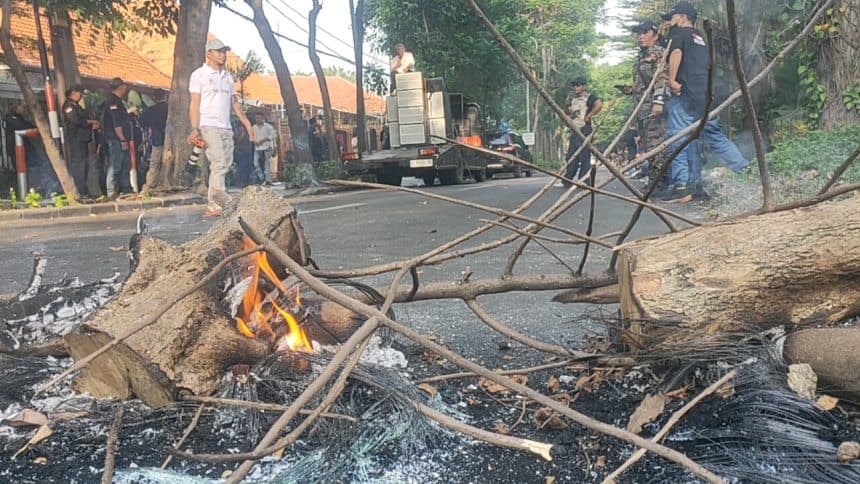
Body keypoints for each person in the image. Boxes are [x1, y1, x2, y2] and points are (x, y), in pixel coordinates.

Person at [662, 2, 749, 201]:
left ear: (682, 17)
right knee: (713, 135)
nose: (670, 20)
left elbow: (676, 54)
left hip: (684, 94)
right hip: (705, 95)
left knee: (678, 137)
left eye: (673, 16)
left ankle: (682, 184)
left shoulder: (679, 34)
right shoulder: (700, 38)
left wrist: (672, 80)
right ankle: (743, 168)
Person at [188, 39, 254, 217]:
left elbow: (234, 103)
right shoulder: (199, 75)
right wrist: (195, 128)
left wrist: (247, 124)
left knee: (225, 164)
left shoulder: (228, 77)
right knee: (218, 162)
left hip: (226, 126)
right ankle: (216, 205)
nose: (222, 55)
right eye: (218, 51)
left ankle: (215, 201)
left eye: (224, 52)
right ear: (209, 54)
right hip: (208, 125)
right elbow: (194, 103)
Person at [627, 20, 669, 184]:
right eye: (639, 33)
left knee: (656, 146)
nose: (641, 36)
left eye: (645, 32)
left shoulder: (658, 53)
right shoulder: (642, 56)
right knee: (648, 146)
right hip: (642, 110)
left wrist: (658, 101)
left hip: (654, 109)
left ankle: (660, 182)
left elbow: (662, 79)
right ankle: (654, 180)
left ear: (656, 35)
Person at [562, 78, 603, 185]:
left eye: (578, 85)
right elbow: (567, 112)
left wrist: (589, 115)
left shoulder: (589, 97)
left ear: (584, 86)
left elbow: (599, 105)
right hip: (574, 129)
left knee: (584, 154)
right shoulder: (571, 98)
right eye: (574, 85)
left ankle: (584, 178)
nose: (576, 87)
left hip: (585, 129)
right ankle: (568, 178)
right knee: (571, 155)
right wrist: (566, 104)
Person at [62, 85, 100, 198]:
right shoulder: (68, 106)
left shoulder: (76, 105)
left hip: (82, 139)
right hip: (76, 139)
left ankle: (84, 189)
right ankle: (80, 190)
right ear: (73, 93)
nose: (81, 96)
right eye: (79, 93)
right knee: (79, 165)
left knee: (84, 165)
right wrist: (90, 122)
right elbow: (75, 120)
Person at [101, 77, 132, 199]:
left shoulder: (119, 101)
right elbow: (116, 123)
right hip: (116, 139)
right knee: (115, 165)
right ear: (121, 87)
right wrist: (122, 139)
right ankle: (111, 191)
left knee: (125, 164)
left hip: (120, 139)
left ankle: (126, 189)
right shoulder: (113, 102)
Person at [140, 88, 168, 191]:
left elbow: (142, 122)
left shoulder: (150, 110)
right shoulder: (170, 109)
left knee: (155, 163)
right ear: (166, 96)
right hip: (171, 142)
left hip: (157, 139)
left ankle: (150, 185)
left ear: (154, 98)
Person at [3, 102, 34, 194]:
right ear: (16, 107)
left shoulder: (20, 118)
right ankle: (20, 191)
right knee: (19, 169)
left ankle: (27, 189)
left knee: (28, 168)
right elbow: (20, 126)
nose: (24, 110)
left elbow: (27, 124)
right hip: (14, 148)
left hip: (24, 148)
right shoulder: (10, 118)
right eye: (22, 107)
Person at [251, 112, 275, 185]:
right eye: (257, 118)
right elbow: (252, 137)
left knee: (266, 164)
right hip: (257, 148)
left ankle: (268, 180)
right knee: (255, 163)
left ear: (263, 118)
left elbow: (272, 136)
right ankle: (261, 178)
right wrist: (255, 142)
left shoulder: (268, 127)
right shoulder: (253, 127)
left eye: (259, 118)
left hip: (266, 148)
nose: (258, 120)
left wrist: (263, 140)